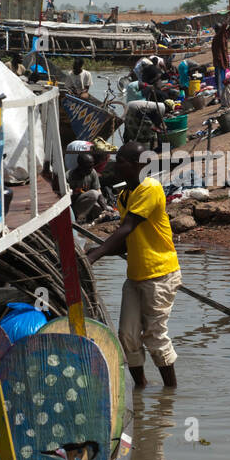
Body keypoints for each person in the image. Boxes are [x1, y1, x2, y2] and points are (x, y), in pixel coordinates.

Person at [86, 141, 181, 388]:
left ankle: (170, 394)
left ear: (140, 166)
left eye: (123, 161)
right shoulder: (124, 196)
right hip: (137, 275)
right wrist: (94, 253)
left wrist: (93, 257)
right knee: (127, 336)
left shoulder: (150, 188)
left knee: (154, 336)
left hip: (160, 274)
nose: (117, 165)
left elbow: (127, 227)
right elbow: (127, 242)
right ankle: (141, 390)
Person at [68, 153, 112, 224]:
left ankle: (89, 216)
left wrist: (105, 208)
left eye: (92, 166)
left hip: (87, 203)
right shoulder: (69, 176)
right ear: (80, 166)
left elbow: (98, 191)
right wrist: (75, 193)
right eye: (88, 167)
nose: (91, 169)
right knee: (93, 194)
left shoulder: (92, 172)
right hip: (74, 207)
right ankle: (79, 218)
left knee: (107, 209)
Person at [211, 12, 230, 101]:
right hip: (219, 63)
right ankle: (222, 98)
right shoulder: (217, 37)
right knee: (221, 82)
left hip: (223, 62)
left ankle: (225, 96)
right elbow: (225, 27)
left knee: (223, 80)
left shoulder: (223, 36)